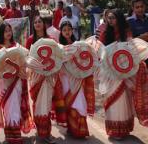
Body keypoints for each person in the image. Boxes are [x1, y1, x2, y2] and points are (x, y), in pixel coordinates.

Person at [98, 9, 139, 139]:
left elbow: (131, 48)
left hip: (124, 69)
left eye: (113, 18)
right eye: (109, 18)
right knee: (113, 99)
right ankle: (114, 130)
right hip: (110, 71)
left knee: (124, 99)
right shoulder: (105, 33)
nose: (110, 20)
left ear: (119, 19)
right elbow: (100, 51)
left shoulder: (126, 32)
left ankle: (124, 129)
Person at [26, 16, 66, 143]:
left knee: (46, 105)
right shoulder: (30, 40)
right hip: (35, 77)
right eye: (35, 22)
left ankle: (46, 132)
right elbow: (27, 58)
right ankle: (40, 129)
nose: (37, 24)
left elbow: (58, 56)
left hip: (49, 77)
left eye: (40, 22)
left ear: (44, 24)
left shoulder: (51, 40)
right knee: (37, 104)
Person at [0, 23, 33, 143]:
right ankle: (10, 134)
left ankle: (16, 135)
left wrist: (22, 72)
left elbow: (26, 61)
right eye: (5, 31)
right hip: (4, 84)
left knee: (15, 106)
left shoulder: (17, 46)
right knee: (8, 108)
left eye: (9, 30)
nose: (8, 33)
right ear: (1, 33)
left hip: (16, 82)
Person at [58, 21, 94, 138]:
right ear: (61, 32)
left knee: (80, 103)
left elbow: (86, 60)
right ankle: (71, 128)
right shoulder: (59, 48)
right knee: (68, 103)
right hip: (65, 79)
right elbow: (58, 64)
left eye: (69, 29)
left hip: (78, 78)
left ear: (72, 31)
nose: (67, 32)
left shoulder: (79, 45)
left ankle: (80, 130)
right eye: (64, 30)